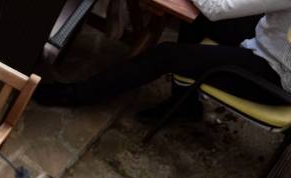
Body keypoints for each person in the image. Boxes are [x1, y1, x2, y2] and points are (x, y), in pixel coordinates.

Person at [34, 1, 291, 121]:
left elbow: (217, 9)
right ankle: (184, 104)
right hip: (269, 35)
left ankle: (77, 95)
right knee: (196, 19)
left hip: (273, 71)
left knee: (166, 54)